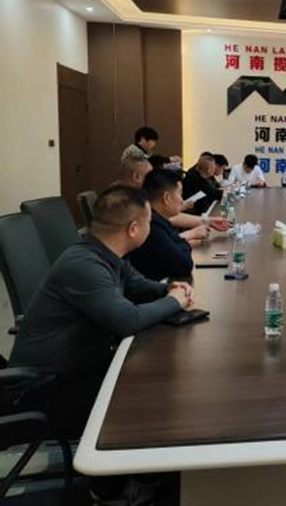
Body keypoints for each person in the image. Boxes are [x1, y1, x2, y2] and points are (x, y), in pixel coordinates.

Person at [9, 185, 193, 438]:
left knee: (155, 379)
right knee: (151, 397)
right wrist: (174, 301)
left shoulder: (106, 253)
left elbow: (138, 286)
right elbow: (128, 320)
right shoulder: (84, 265)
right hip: (42, 389)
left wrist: (169, 289)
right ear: (133, 229)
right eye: (149, 222)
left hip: (78, 369)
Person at [127, 169, 197, 281]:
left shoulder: (159, 220)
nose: (182, 200)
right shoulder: (152, 225)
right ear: (166, 198)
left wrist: (180, 243)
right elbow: (184, 265)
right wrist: (183, 243)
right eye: (180, 193)